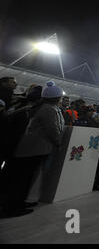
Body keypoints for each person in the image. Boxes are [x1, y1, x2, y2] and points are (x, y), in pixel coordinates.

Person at [0, 81, 64, 218]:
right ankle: (12, 207)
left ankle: (17, 203)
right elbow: (52, 129)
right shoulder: (48, 109)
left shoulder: (41, 107)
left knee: (22, 177)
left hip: (31, 148)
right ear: (57, 98)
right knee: (23, 179)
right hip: (35, 148)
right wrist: (58, 142)